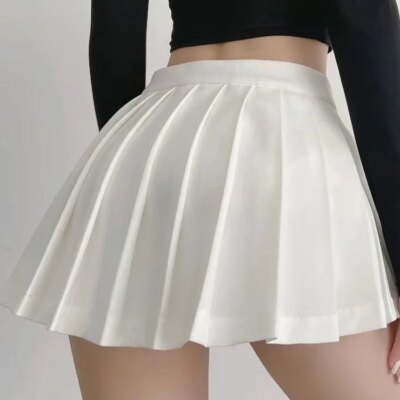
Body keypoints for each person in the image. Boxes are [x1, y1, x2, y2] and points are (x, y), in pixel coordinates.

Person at [1, 0, 400, 398]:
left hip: (145, 144)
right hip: (283, 139)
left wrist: (140, 178)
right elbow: (370, 41)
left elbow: (114, 37)